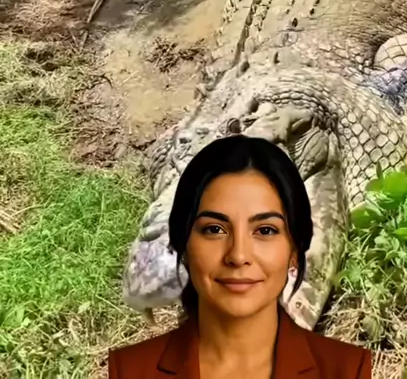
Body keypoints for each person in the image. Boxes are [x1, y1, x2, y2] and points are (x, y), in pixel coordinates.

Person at [108, 135, 371, 378]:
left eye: (265, 230)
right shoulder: (129, 370)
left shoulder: (348, 369)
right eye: (213, 229)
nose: (238, 255)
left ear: (294, 248)